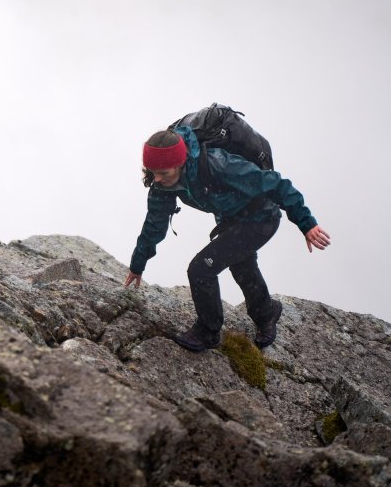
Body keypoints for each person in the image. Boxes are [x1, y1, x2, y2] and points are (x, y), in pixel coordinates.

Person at [124, 125, 330, 351]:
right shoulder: (162, 186)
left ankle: (208, 331)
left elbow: (276, 184)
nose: (157, 178)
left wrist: (306, 223)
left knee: (201, 269)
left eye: (164, 172)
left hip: (261, 217)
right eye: (153, 171)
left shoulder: (217, 164)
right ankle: (267, 313)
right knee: (242, 266)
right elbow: (154, 225)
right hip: (231, 221)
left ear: (180, 162)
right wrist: (137, 264)